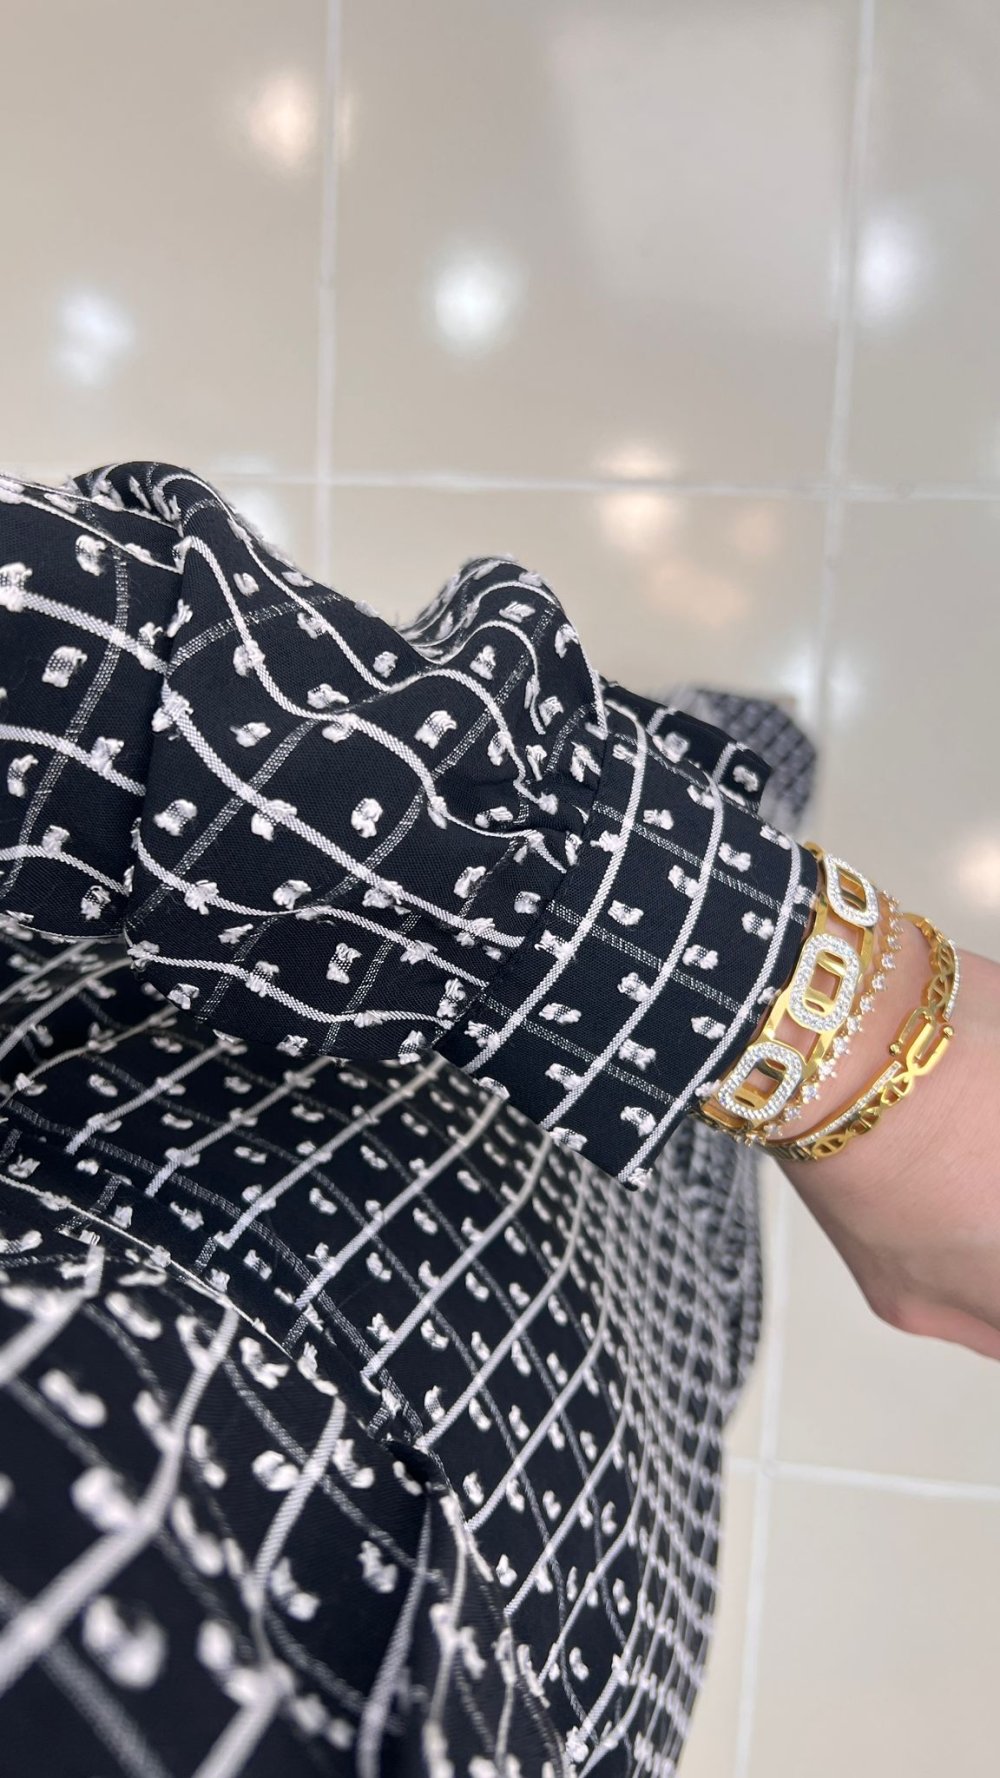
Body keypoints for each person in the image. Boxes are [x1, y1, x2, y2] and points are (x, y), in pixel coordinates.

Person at [0, 461, 996, 1776]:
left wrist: (838, 1020)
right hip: (524, 1574)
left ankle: (735, 762)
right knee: (682, 1252)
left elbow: (75, 651)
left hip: (230, 1210)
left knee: (667, 892)